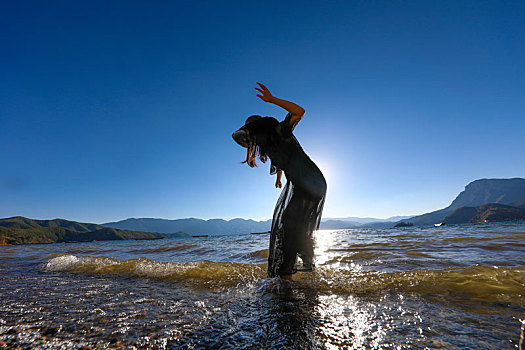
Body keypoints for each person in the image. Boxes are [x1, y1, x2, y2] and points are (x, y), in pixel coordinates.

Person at [232, 83, 327, 280]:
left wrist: (272, 100)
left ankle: (287, 277)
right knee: (293, 227)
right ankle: (305, 273)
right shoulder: (270, 147)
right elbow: (283, 162)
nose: (250, 139)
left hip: (310, 181)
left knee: (289, 226)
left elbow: (299, 111)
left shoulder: (280, 132)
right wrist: (278, 178)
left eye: (250, 133)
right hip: (304, 183)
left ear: (258, 128)